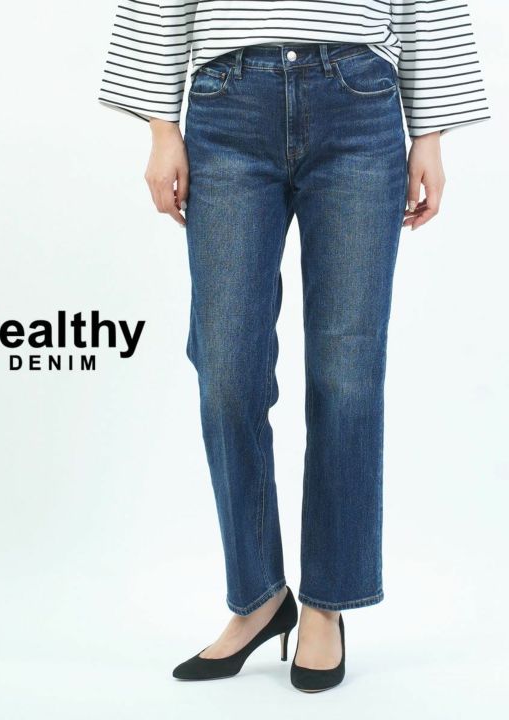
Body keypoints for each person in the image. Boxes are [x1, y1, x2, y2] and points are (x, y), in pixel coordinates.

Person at [98, 1, 491, 692]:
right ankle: (258, 598)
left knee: (347, 372)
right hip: (227, 104)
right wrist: (162, 128)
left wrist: (428, 135)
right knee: (226, 369)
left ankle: (326, 603)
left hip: (358, 101)